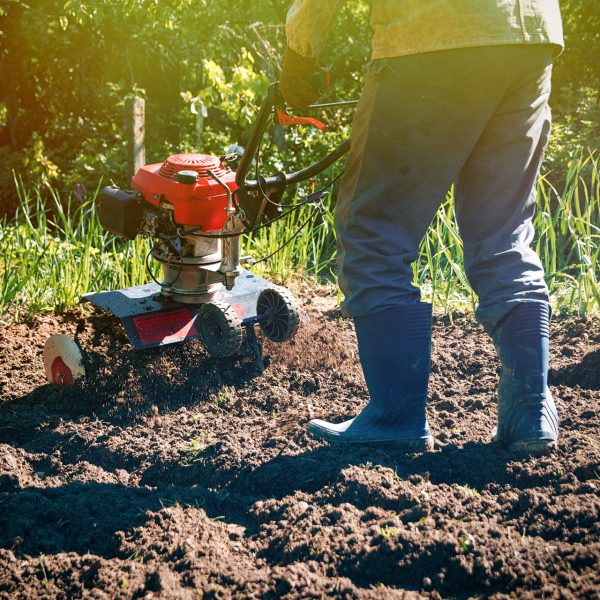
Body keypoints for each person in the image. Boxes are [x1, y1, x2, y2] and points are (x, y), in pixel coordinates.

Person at [279, 1, 563, 455]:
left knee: (373, 229)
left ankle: (395, 418)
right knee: (504, 232)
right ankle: (530, 412)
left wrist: (301, 51)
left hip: (430, 33)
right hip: (528, 33)